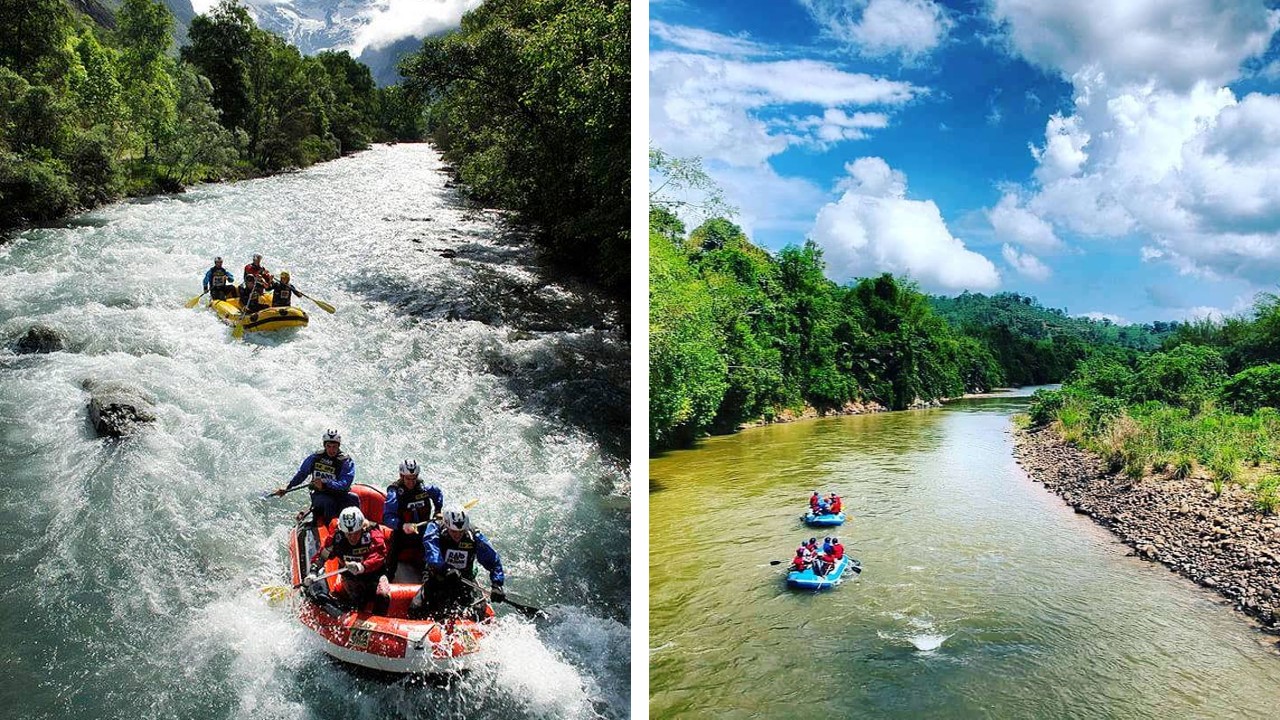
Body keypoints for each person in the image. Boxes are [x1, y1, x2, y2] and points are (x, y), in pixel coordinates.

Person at [408, 504, 504, 621]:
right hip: (438, 578)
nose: (458, 535)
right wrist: (445, 568)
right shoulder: (435, 529)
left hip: (464, 580)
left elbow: (493, 561)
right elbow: (432, 552)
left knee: (479, 611)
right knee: (416, 608)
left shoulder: (474, 536)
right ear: (447, 526)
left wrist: (497, 585)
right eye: (454, 532)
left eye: (461, 531)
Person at [303, 506, 388, 614]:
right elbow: (322, 556)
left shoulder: (372, 535)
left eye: (355, 533)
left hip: (375, 574)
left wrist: (362, 566)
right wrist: (313, 572)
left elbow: (379, 554)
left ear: (362, 527)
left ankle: (379, 620)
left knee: (383, 594)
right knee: (358, 600)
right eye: (348, 534)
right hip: (350, 577)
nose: (352, 537)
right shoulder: (337, 538)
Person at [273, 429, 358, 524]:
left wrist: (325, 485)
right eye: (328, 446)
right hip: (320, 494)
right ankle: (329, 529)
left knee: (353, 498)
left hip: (339, 493)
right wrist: (288, 487)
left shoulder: (345, 461)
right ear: (324, 445)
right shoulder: (315, 458)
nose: (331, 450)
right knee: (328, 502)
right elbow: (302, 474)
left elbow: (345, 484)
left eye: (334, 447)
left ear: (339, 446)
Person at [381, 458, 445, 582]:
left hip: (423, 530)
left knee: (435, 546)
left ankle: (432, 577)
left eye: (414, 478)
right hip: (403, 532)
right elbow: (387, 518)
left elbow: (438, 494)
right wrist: (402, 525)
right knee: (393, 549)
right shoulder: (394, 493)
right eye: (408, 478)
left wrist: (438, 510)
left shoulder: (425, 488)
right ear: (401, 476)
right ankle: (388, 577)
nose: (411, 482)